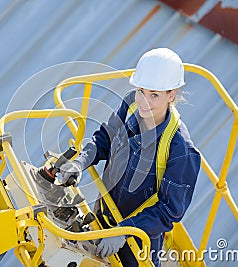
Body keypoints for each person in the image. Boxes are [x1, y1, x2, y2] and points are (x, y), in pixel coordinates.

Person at [60, 48, 201, 266]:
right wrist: (80, 161)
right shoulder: (130, 105)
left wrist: (123, 232)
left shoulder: (180, 149)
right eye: (141, 91)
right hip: (101, 219)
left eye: (154, 95)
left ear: (171, 95)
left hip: (136, 248)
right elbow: (104, 139)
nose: (144, 101)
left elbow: (170, 211)